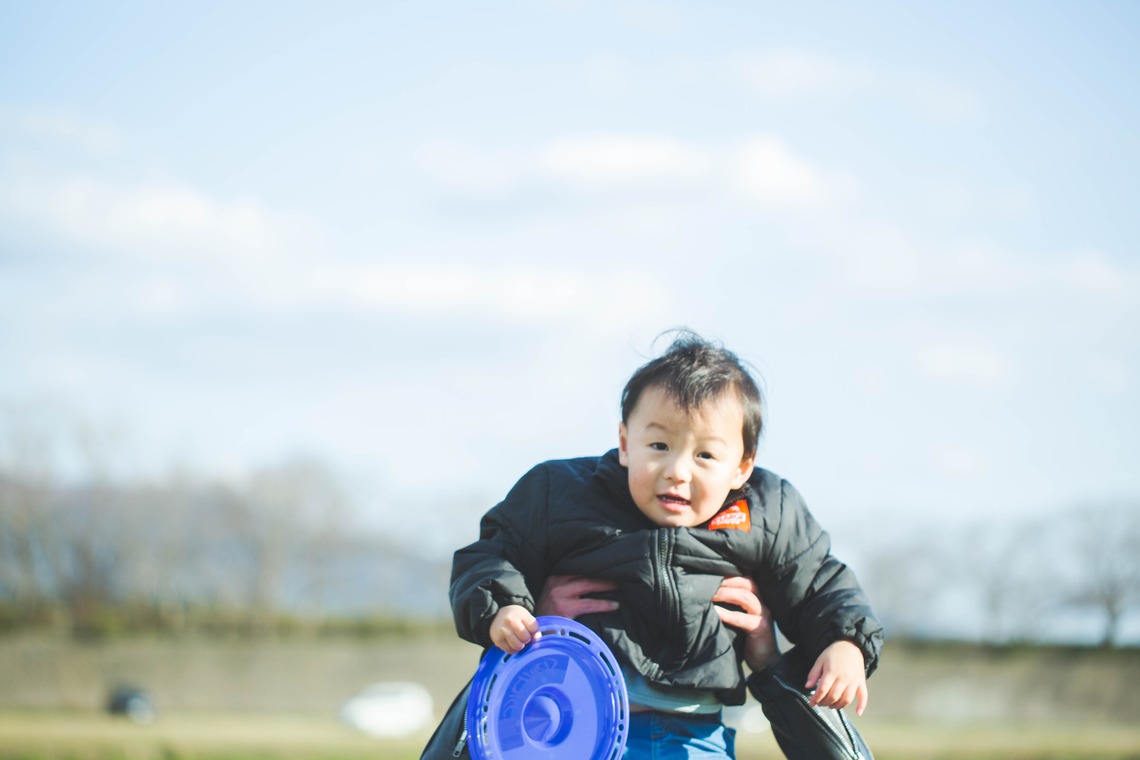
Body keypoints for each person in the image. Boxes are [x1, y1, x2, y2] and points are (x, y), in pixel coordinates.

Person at [424, 332, 882, 759]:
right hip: (567, 725)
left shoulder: (768, 510)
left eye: (705, 455)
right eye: (659, 444)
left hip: (694, 735)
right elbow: (492, 555)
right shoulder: (561, 492)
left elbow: (822, 581)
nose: (678, 470)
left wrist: (846, 643)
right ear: (625, 443)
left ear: (742, 466)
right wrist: (507, 608)